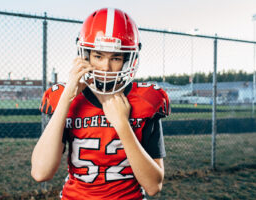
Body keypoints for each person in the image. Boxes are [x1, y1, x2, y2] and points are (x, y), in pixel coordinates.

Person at [31, 7, 170, 200]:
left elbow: (153, 185)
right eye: (98, 56)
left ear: (128, 59)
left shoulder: (145, 101)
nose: (105, 67)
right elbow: (40, 172)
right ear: (85, 55)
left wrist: (122, 125)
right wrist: (66, 100)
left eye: (115, 58)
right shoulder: (64, 98)